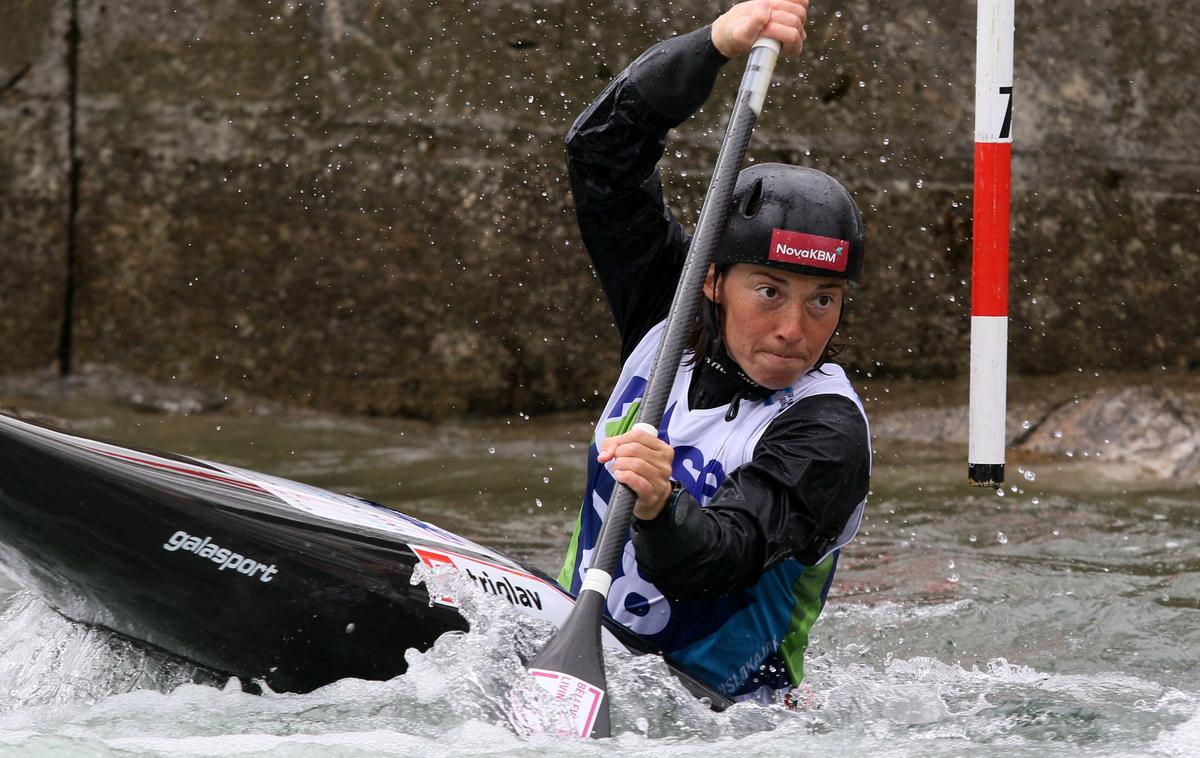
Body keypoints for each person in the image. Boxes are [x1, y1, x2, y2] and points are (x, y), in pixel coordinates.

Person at [555, 0, 871, 704]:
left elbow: (717, 562)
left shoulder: (827, 432)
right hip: (572, 649)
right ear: (714, 281)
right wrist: (715, 44)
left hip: (722, 718)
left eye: (823, 299)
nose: (795, 327)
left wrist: (660, 505)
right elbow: (601, 154)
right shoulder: (665, 316)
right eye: (770, 291)